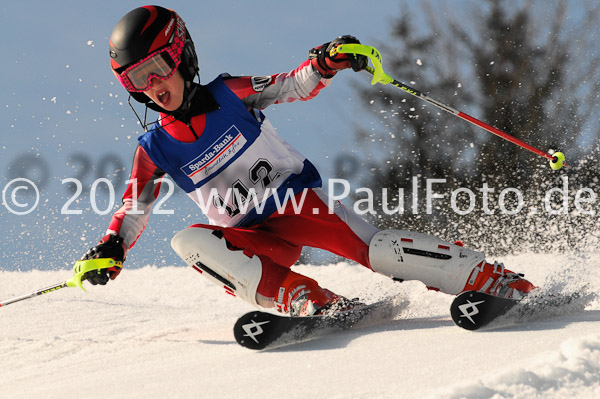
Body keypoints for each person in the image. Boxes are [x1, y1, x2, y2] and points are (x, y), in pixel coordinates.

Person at [81, 5, 535, 316]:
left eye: (157, 67)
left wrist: (327, 61)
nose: (152, 86)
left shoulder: (227, 95)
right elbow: (133, 208)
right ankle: (308, 301)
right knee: (190, 242)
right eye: (136, 80)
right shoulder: (155, 147)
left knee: (376, 249)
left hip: (297, 205)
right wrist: (112, 247)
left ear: (181, 55)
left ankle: (490, 278)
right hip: (250, 236)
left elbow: (292, 84)